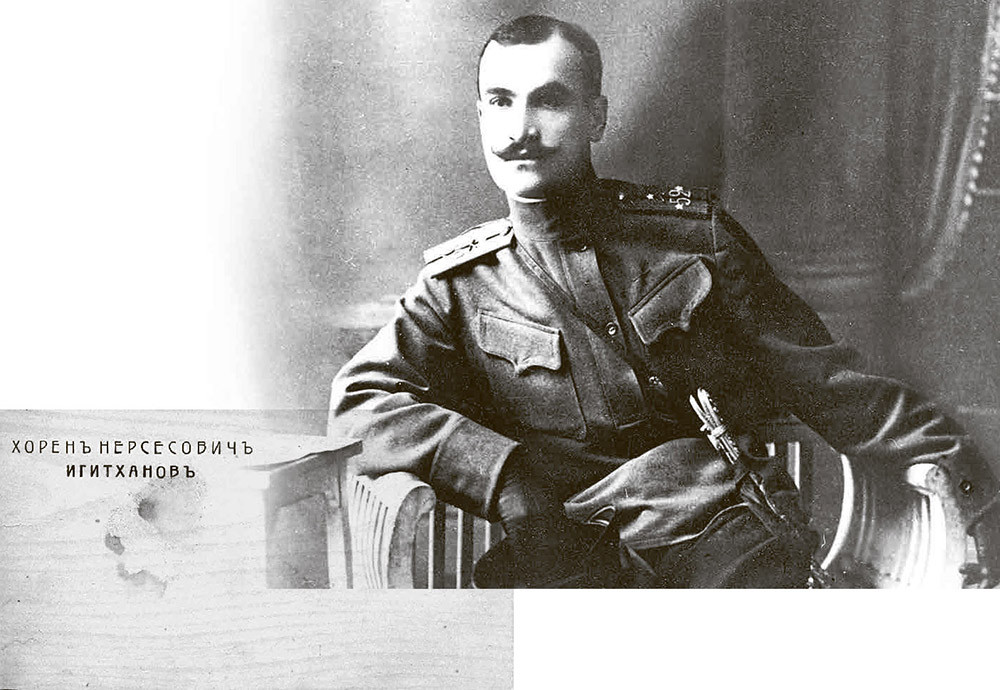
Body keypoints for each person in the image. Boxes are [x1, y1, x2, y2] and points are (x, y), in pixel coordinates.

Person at [330, 14, 1000, 587]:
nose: (520, 130)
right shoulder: (458, 286)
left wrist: (971, 487)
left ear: (597, 116)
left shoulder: (692, 240)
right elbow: (360, 402)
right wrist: (506, 478)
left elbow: (829, 383)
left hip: (720, 536)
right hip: (572, 554)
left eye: (549, 101)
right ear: (480, 116)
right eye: (500, 102)